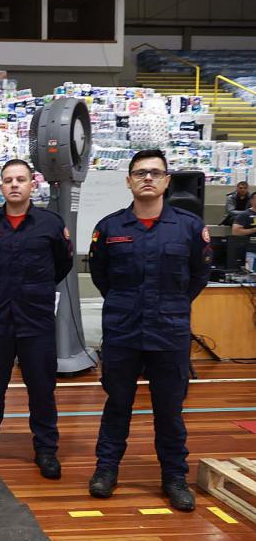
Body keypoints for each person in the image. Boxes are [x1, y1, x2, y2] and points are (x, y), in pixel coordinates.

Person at [88, 149, 212, 511]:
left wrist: (171, 305)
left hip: (169, 332)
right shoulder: (109, 228)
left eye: (155, 173)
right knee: (117, 406)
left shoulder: (189, 227)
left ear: (167, 181)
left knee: (169, 411)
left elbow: (199, 276)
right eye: (140, 172)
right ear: (128, 180)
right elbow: (102, 277)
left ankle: (174, 478)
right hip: (123, 331)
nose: (147, 178)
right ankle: (106, 471)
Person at [0, 159, 73, 480]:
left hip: (36, 321)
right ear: (1, 186)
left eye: (21, 179)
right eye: (8, 180)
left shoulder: (51, 224)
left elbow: (62, 265)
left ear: (32, 185)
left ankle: (45, 449)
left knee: (41, 388)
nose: (14, 185)